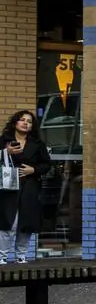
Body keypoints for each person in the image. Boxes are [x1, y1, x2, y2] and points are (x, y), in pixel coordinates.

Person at [0, 110, 50, 264]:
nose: (25, 123)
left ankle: (21, 256)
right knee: (8, 222)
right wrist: (5, 152)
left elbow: (47, 164)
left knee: (26, 223)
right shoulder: (4, 140)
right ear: (15, 122)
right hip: (8, 187)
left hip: (29, 187)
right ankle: (2, 256)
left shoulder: (38, 144)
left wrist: (33, 170)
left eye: (29, 121)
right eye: (22, 120)